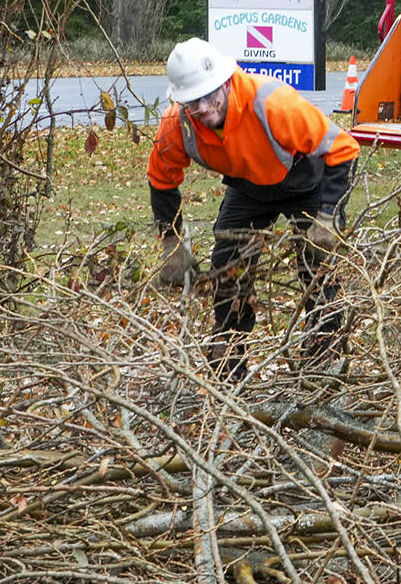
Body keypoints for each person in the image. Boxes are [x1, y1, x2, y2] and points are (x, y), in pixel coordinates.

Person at [146, 38, 360, 379]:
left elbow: (344, 149)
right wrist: (171, 242)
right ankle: (229, 363)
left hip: (306, 180)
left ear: (226, 82)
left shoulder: (273, 104)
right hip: (248, 186)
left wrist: (328, 215)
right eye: (191, 101)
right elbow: (161, 180)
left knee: (318, 268)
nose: (202, 108)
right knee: (229, 268)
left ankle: (325, 362)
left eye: (208, 95)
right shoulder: (179, 124)